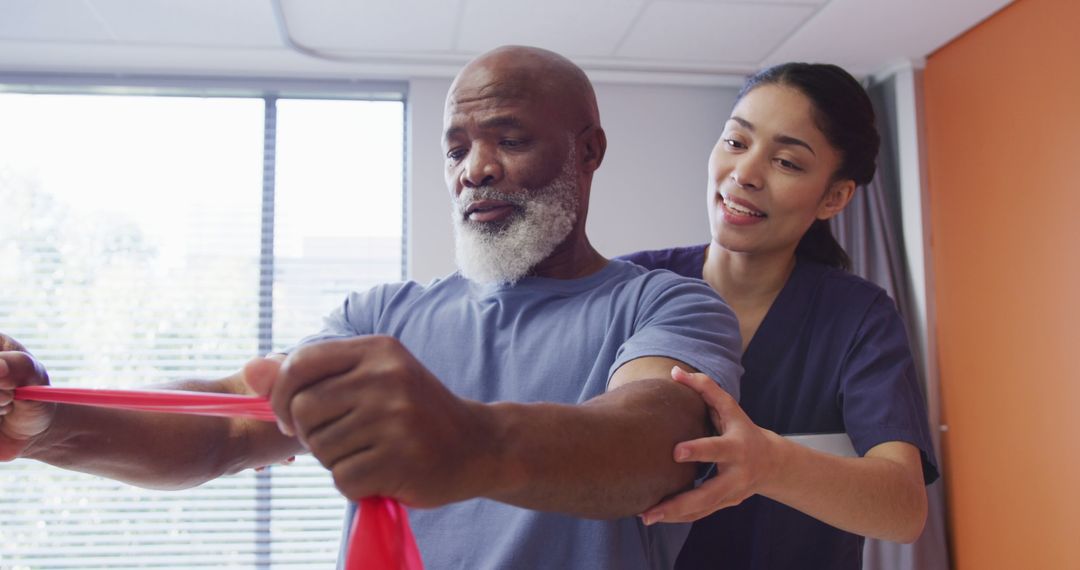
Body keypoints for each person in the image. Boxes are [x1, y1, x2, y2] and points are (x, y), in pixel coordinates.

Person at [0, 46, 743, 569]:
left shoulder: (669, 304)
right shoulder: (379, 319)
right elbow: (228, 425)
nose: (475, 170)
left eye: (508, 139)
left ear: (589, 151)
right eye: (456, 149)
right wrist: (50, 425)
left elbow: (657, 444)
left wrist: (471, 441)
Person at [621, 63, 940, 569]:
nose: (745, 174)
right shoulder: (631, 285)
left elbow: (903, 511)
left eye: (787, 162)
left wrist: (768, 465)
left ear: (834, 197)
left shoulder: (858, 318)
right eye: (735, 141)